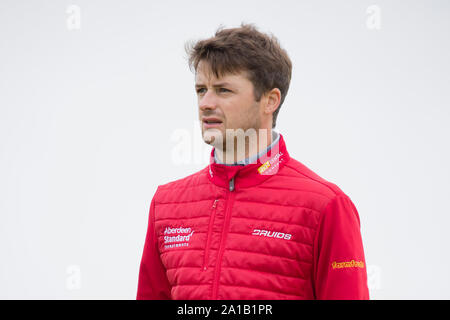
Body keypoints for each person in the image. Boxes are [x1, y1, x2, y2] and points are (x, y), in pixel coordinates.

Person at [137, 23, 369, 300]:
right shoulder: (167, 203)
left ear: (270, 100)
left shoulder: (325, 205)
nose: (205, 103)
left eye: (223, 90)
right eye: (201, 90)